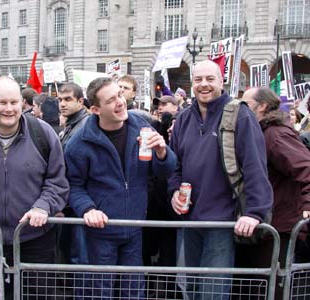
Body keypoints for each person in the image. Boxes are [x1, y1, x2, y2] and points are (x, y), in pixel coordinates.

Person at [0, 76, 69, 298]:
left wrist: (43, 206)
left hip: (36, 239)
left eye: (14, 102)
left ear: (21, 102)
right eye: (2, 102)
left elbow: (57, 181)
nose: (9, 109)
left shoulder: (43, 134)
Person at [65, 77, 177, 299]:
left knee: (133, 292)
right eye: (111, 100)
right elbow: (73, 186)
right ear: (96, 109)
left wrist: (163, 153)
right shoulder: (79, 143)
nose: (120, 102)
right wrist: (88, 209)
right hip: (100, 231)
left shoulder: (141, 127)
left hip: (134, 227)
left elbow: (164, 171)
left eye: (119, 94)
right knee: (99, 292)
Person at [169, 60, 273, 299]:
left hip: (222, 222)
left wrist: (254, 212)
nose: (204, 85)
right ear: (192, 83)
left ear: (221, 81)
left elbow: (255, 167)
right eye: (198, 80)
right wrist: (174, 191)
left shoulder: (241, 115)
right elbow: (175, 165)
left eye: (210, 79)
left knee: (213, 292)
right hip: (189, 222)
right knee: (190, 291)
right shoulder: (184, 118)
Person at [240, 87, 310, 300]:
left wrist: (308, 205)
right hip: (268, 224)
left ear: (261, 106)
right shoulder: (261, 131)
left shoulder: (275, 134)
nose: (241, 109)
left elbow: (305, 166)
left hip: (280, 225)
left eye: (246, 104)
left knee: (275, 288)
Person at [57, 82, 90, 266]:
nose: (62, 104)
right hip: (70, 200)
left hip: (78, 201)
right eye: (60, 99)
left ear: (80, 101)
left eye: (68, 99)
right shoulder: (71, 125)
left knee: (80, 255)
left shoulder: (84, 126)